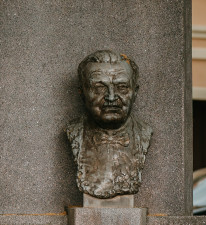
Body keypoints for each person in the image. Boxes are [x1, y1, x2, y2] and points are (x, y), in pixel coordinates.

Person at [66, 50, 153, 199]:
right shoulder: (73, 131)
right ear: (82, 93)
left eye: (122, 87)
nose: (111, 97)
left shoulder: (144, 132)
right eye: (99, 88)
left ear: (135, 92)